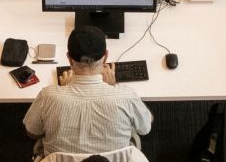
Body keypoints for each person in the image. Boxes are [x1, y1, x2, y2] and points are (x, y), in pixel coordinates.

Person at [22, 26, 154, 155]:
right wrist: (113, 87)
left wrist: (64, 90)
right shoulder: (125, 95)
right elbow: (145, 128)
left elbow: (32, 132)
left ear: (69, 58)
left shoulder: (48, 96)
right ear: (106, 56)